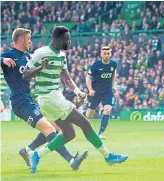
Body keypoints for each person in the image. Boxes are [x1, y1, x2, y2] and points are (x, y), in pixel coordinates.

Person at [22, 26, 128, 173]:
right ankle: (108, 156)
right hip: (48, 98)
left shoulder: (61, 55)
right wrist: (40, 67)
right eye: (67, 40)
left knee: (69, 134)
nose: (69, 42)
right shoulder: (41, 53)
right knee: (85, 123)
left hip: (54, 97)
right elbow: (25, 74)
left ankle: (37, 154)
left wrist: (78, 91)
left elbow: (66, 78)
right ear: (58, 40)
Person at [1, 28, 87, 171]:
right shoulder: (9, 55)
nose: (30, 42)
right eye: (29, 39)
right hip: (20, 101)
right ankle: (71, 160)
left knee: (57, 127)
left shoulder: (29, 57)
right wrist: (2, 59)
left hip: (31, 98)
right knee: (49, 128)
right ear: (21, 40)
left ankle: (28, 150)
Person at [83, 46, 117, 140]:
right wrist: (90, 90)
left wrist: (113, 85)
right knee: (89, 115)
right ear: (101, 54)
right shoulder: (96, 65)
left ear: (110, 54)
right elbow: (88, 77)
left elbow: (113, 73)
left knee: (107, 110)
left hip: (108, 92)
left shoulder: (113, 64)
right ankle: (82, 113)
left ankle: (100, 133)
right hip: (96, 92)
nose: (106, 55)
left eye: (108, 53)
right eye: (104, 54)